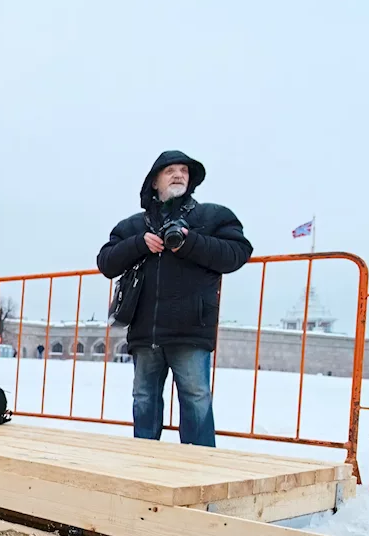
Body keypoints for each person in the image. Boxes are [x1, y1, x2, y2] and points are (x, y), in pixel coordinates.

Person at [96, 150, 252, 447]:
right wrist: (138, 245)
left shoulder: (213, 216)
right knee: (144, 399)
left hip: (191, 329)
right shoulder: (132, 226)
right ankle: (145, 463)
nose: (178, 174)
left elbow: (237, 253)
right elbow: (106, 262)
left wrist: (189, 241)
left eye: (183, 170)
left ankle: (199, 469)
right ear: (154, 182)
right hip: (145, 332)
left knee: (196, 399)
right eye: (170, 171)